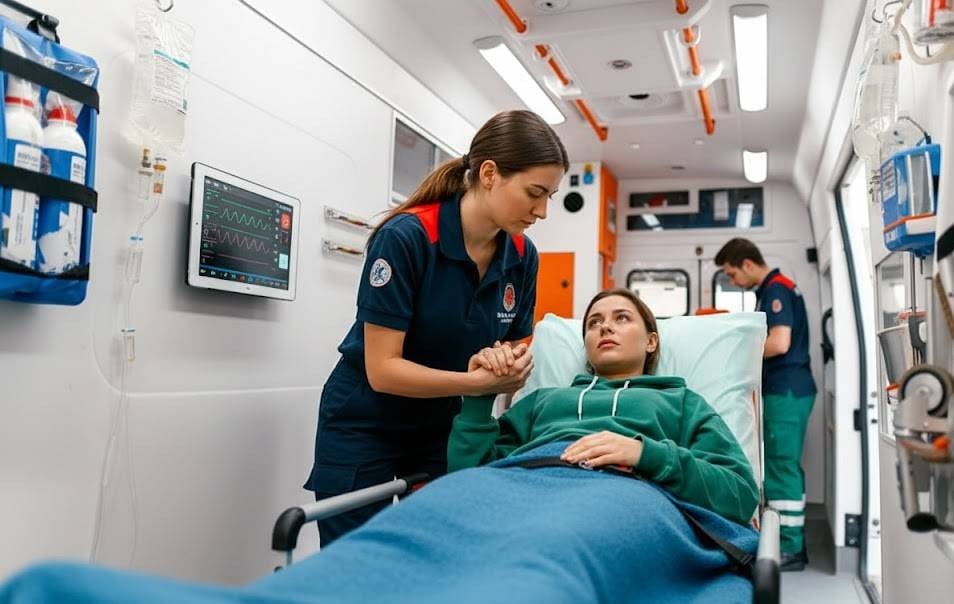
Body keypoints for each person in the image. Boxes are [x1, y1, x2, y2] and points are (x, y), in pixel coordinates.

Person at [305, 110, 569, 545]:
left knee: (436, 550)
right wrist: (477, 382)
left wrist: (507, 364)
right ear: (490, 174)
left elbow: (513, 350)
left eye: (549, 197)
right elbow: (382, 370)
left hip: (442, 430)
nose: (541, 211)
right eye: (534, 193)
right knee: (360, 561)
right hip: (365, 423)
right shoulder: (407, 237)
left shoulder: (523, 256)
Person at [448, 288, 759, 525]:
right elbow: (467, 480)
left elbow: (740, 494)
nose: (604, 327)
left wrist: (645, 454)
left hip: (617, 499)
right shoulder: (542, 401)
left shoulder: (681, 402)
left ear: (651, 341)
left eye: (621, 318)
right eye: (594, 322)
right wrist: (479, 396)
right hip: (523, 493)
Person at [715, 237, 816, 571]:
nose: (733, 281)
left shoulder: (775, 290)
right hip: (789, 390)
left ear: (747, 264)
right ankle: (791, 540)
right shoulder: (776, 287)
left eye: (732, 274)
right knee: (784, 466)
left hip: (786, 391)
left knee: (780, 467)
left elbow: (780, 342)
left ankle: (789, 548)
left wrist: (737, 353)